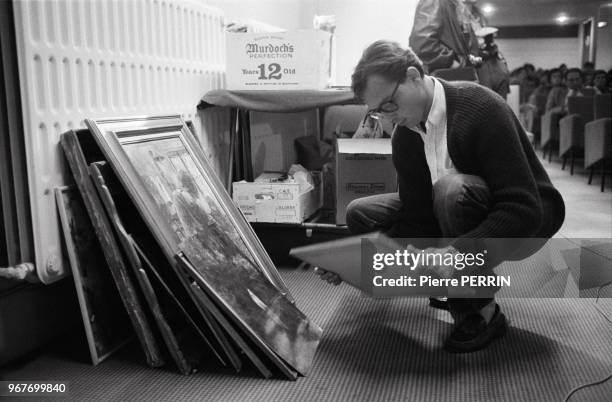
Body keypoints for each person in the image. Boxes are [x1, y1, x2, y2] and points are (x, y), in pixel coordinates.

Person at [318, 40, 565, 353]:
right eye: (377, 112)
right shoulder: (405, 134)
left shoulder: (480, 107)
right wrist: (355, 261)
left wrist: (455, 254)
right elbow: (417, 222)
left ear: (412, 76)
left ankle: (479, 311)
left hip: (528, 221)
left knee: (451, 191)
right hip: (460, 210)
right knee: (360, 213)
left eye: (390, 104)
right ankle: (447, 281)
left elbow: (523, 209)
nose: (388, 117)